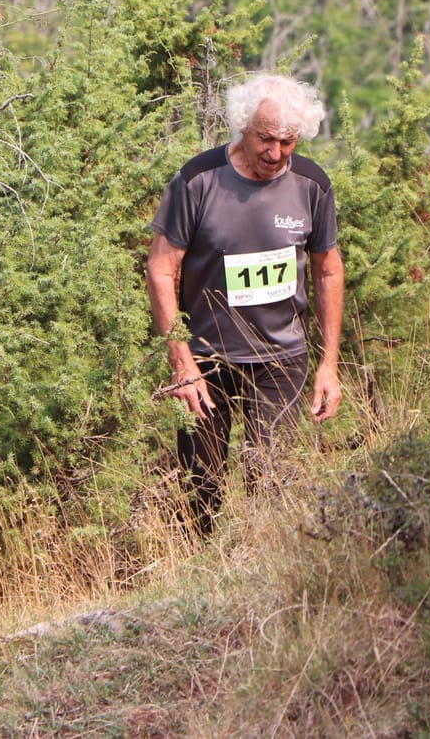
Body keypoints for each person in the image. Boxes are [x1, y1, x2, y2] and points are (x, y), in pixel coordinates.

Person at [146, 72, 344, 533]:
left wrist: (328, 363)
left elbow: (328, 269)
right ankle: (197, 586)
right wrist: (181, 363)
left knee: (272, 482)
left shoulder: (312, 184)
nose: (275, 153)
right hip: (206, 362)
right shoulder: (197, 180)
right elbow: (161, 268)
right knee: (200, 488)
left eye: (287, 141)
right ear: (242, 128)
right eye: (265, 139)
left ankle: (261, 586)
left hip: (282, 361)